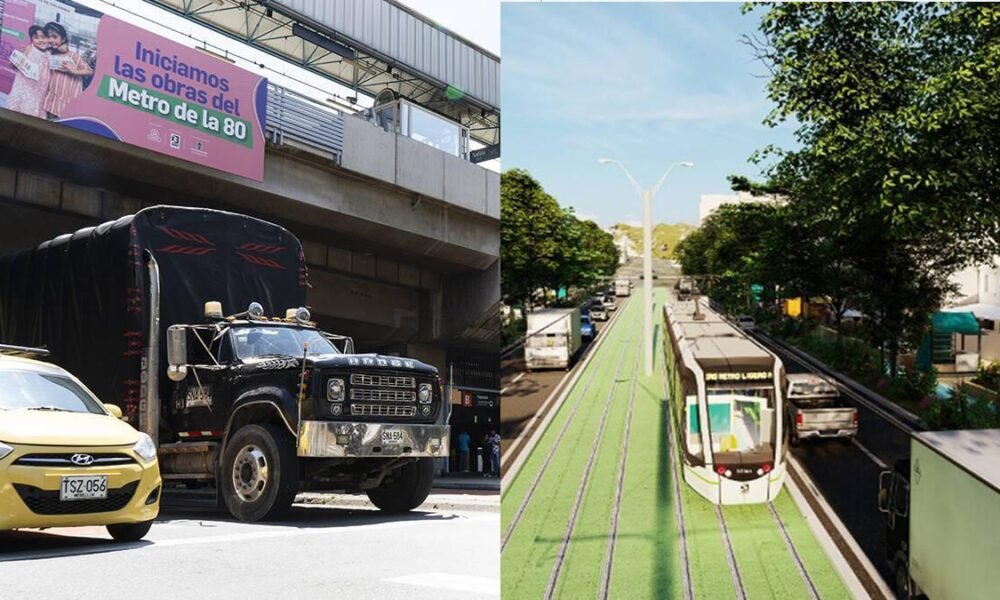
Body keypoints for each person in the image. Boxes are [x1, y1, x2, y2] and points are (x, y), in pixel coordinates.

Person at [41, 22, 92, 120]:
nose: (51, 40)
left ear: (63, 39)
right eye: (48, 37)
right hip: (52, 103)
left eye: (55, 37)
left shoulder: (72, 56)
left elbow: (90, 71)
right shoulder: (48, 54)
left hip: (69, 104)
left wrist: (75, 71)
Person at [6, 26, 51, 118]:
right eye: (36, 38)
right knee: (21, 108)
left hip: (39, 87)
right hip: (25, 85)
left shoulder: (49, 53)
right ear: (32, 39)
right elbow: (16, 64)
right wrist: (15, 61)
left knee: (35, 110)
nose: (40, 40)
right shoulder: (29, 48)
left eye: (43, 37)